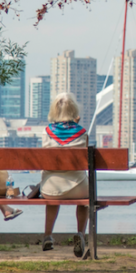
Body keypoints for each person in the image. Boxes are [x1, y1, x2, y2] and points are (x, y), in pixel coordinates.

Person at [41, 92, 90, 257]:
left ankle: (48, 235)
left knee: (52, 197)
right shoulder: (82, 133)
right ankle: (81, 234)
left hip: (50, 188)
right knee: (85, 202)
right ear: (74, 110)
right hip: (79, 187)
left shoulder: (47, 132)